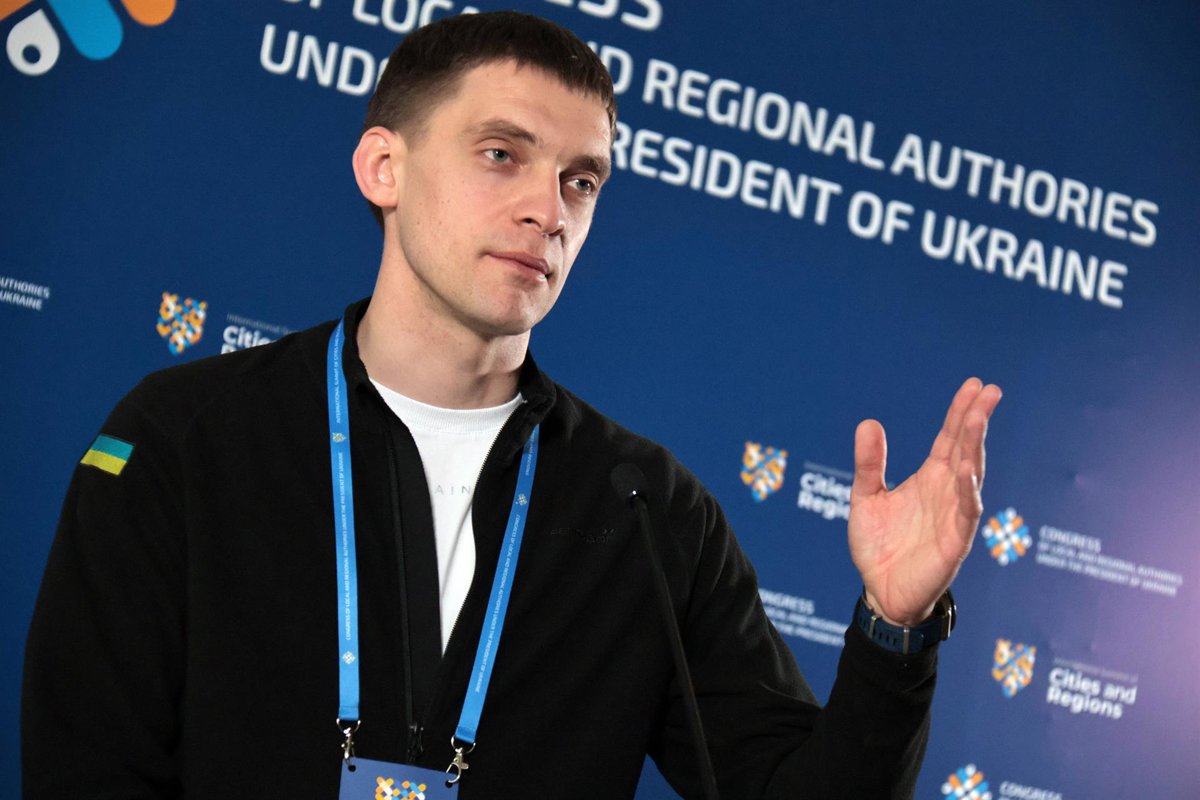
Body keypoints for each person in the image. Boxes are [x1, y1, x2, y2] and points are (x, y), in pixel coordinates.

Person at [22, 11, 1001, 799]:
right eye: (502, 153)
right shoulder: (182, 436)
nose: (550, 209)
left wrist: (894, 627)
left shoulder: (649, 510)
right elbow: (89, 768)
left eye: (582, 180)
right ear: (384, 168)